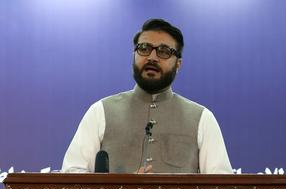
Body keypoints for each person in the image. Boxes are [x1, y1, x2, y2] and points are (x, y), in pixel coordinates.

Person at [61, 19, 233, 174]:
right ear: (134, 55)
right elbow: (73, 174)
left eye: (164, 51)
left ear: (178, 64)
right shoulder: (100, 111)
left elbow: (220, 188)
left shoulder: (202, 118)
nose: (152, 57)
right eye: (144, 49)